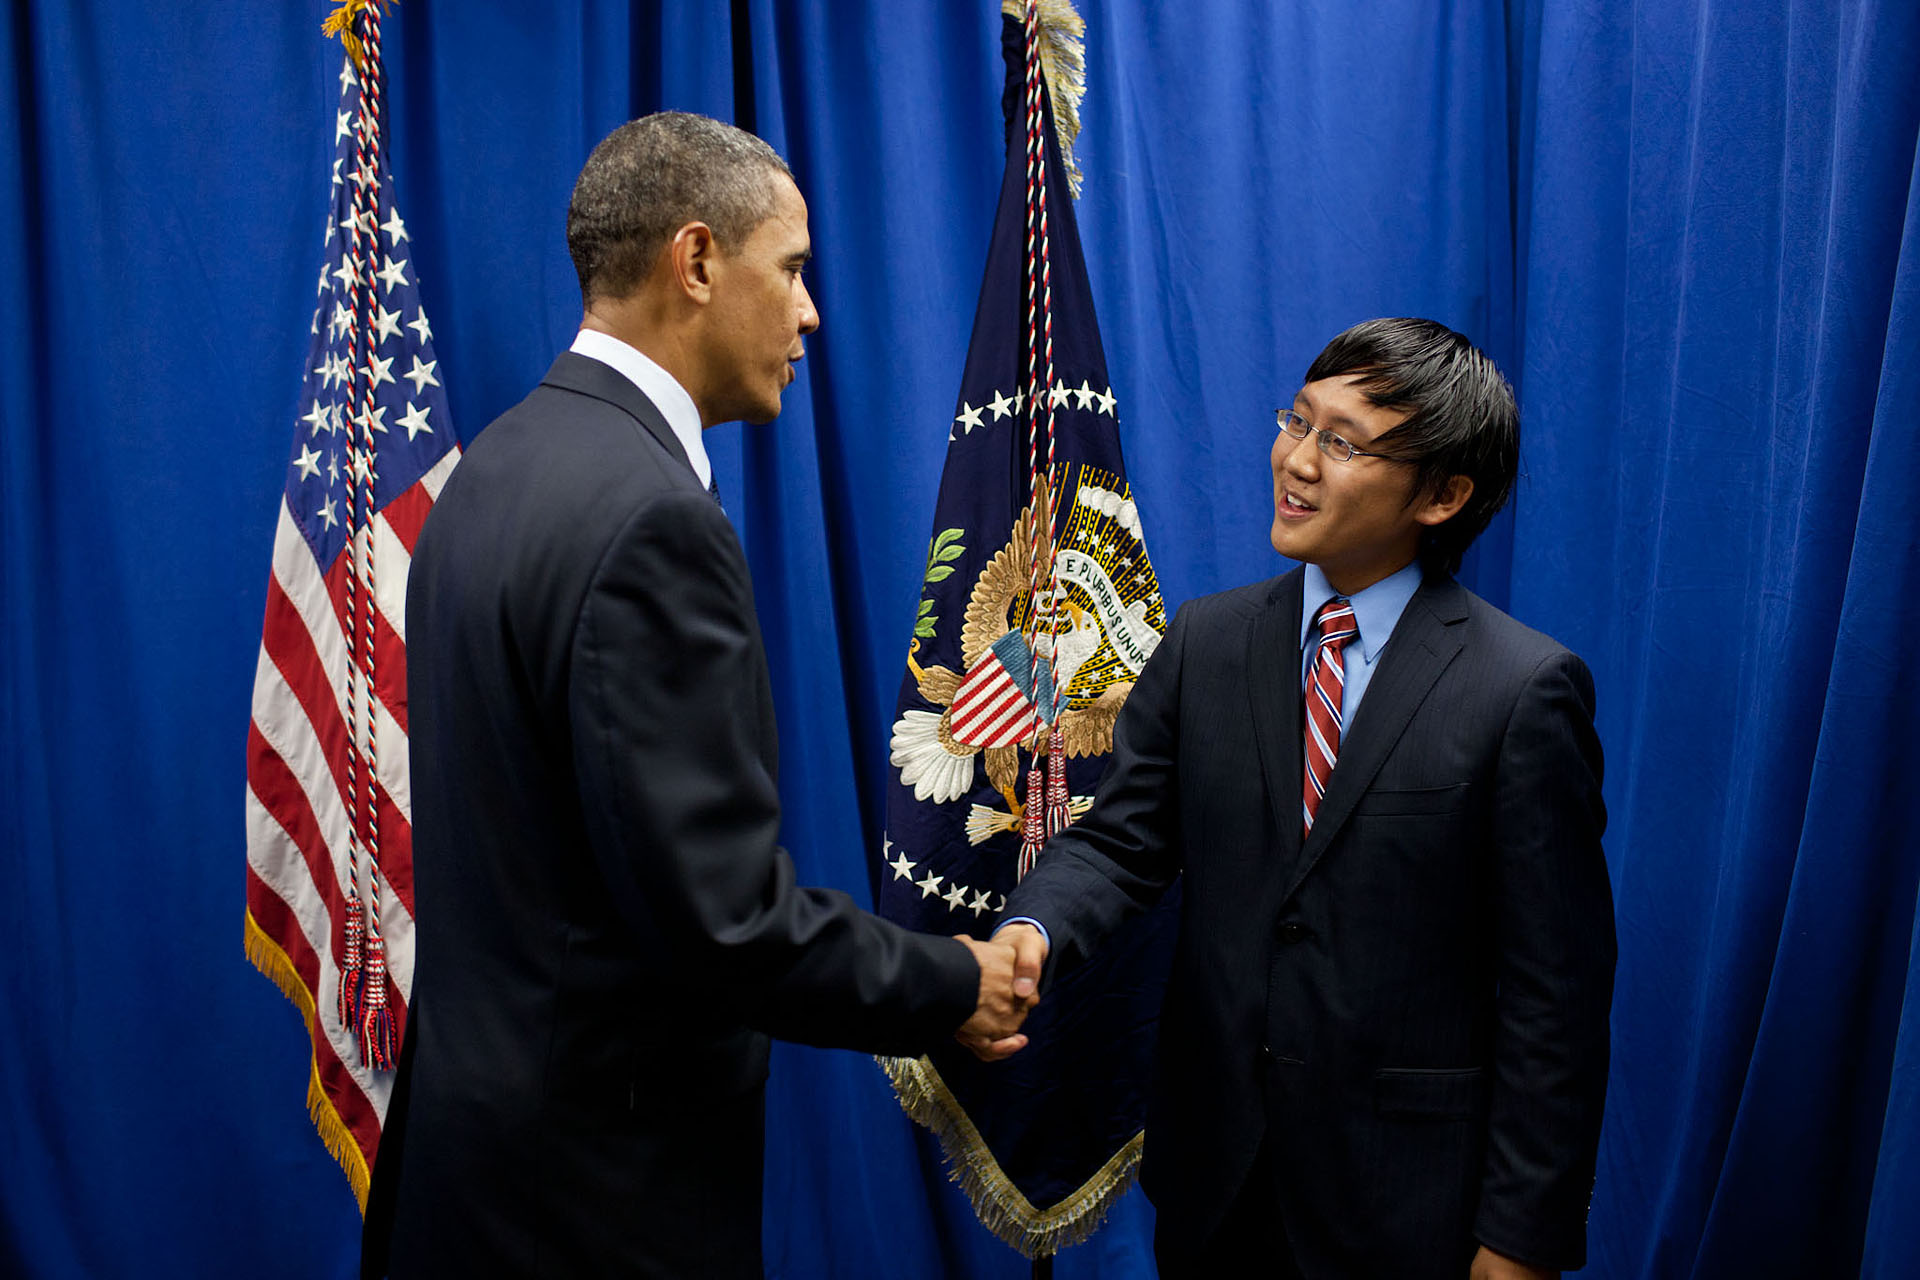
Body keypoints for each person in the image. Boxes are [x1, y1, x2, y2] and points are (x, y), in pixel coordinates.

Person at [361, 112, 1032, 1280]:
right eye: (793, 269)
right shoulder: (653, 518)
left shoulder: (494, 468)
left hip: (473, 1169)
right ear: (697, 260)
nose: (812, 312)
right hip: (594, 1200)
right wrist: (952, 980)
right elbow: (725, 924)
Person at [996, 318, 1616, 1279]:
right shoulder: (1206, 643)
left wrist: (1521, 1236)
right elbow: (1121, 846)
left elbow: (1556, 995)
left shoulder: (1522, 690)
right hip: (1217, 1184)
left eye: (1343, 442)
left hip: (1411, 1203)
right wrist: (1030, 931)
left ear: (1444, 495)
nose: (1297, 461)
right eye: (1299, 420)